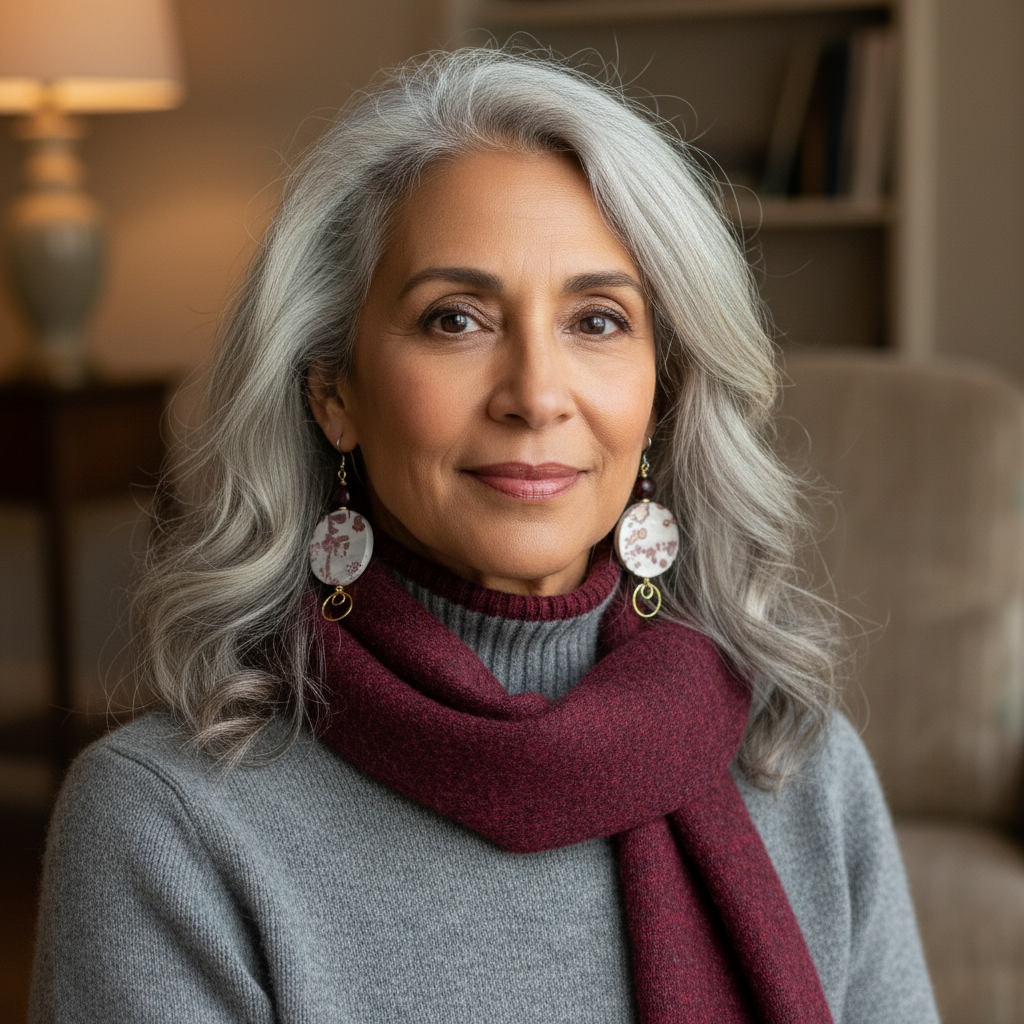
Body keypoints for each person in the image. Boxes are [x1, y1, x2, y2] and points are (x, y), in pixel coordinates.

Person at [29, 48, 939, 1023]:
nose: (536, 394)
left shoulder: (799, 767)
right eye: (455, 319)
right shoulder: (169, 819)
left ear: (661, 393)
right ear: (333, 392)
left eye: (597, 321)